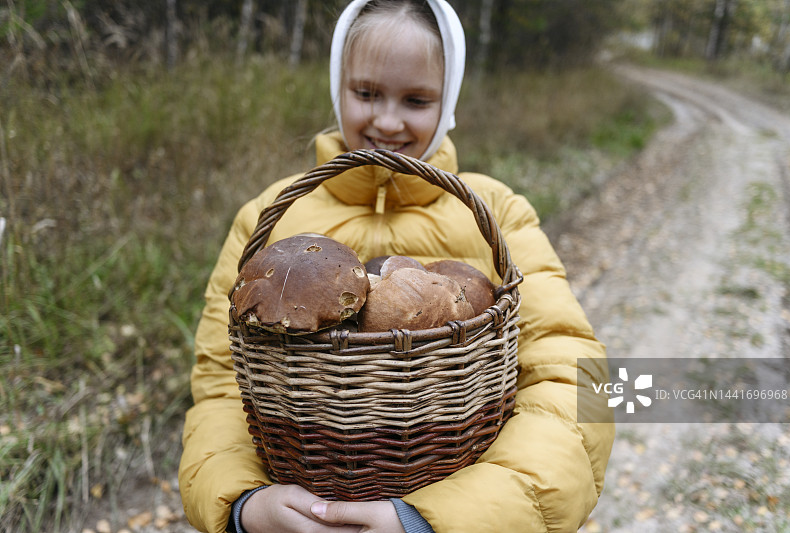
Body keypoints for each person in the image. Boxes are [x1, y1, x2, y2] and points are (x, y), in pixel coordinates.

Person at [178, 1, 614, 532]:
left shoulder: (495, 212)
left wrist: (434, 521)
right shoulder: (270, 217)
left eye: (416, 99)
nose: (386, 120)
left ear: (447, 101)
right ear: (338, 88)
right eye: (366, 93)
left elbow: (576, 380)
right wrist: (244, 504)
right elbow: (222, 385)